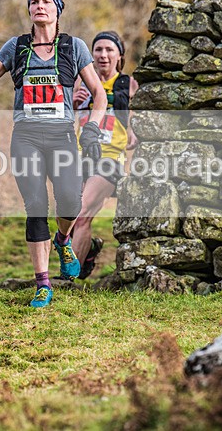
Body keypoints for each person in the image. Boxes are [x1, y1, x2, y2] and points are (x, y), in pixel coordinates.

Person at [0, 0, 107, 308]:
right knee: (36, 206)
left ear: (57, 10)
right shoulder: (16, 47)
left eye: (46, 1)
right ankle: (43, 283)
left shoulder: (73, 47)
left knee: (70, 200)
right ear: (29, 11)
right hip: (26, 137)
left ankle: (63, 240)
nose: (40, 6)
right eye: (34, 2)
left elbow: (99, 93)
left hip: (62, 135)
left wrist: (94, 127)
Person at [72, 31, 138, 279]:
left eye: (109, 50)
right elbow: (67, 120)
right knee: (70, 218)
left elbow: (137, 123)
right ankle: (88, 252)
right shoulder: (81, 83)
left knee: (80, 213)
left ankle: (67, 279)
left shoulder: (129, 84)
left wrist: (134, 133)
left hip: (110, 160)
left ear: (119, 55)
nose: (103, 55)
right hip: (79, 157)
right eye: (98, 50)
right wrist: (72, 102)